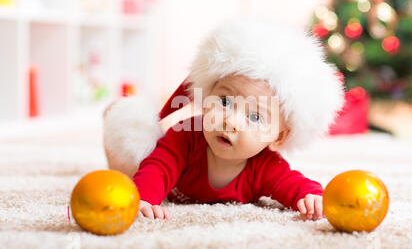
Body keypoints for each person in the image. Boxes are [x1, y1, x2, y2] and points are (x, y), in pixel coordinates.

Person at [103, 17, 345, 222]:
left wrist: (311, 197)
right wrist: (144, 198)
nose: (231, 121)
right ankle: (118, 119)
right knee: (130, 168)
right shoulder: (185, 136)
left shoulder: (265, 166)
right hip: (165, 178)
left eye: (254, 116)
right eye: (225, 102)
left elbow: (295, 184)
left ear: (279, 137)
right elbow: (159, 167)